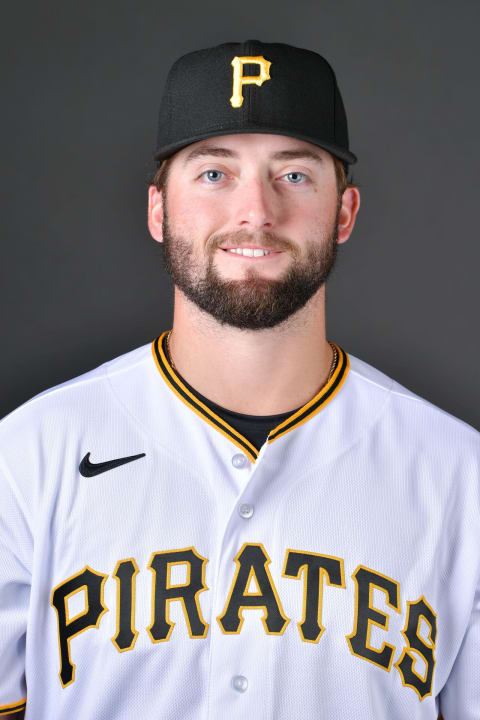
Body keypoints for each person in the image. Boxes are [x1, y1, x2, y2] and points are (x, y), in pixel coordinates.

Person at [0, 39, 477, 720]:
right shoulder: (26, 457)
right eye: (214, 174)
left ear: (344, 213)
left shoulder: (461, 477)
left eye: (296, 175)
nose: (255, 212)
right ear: (157, 210)